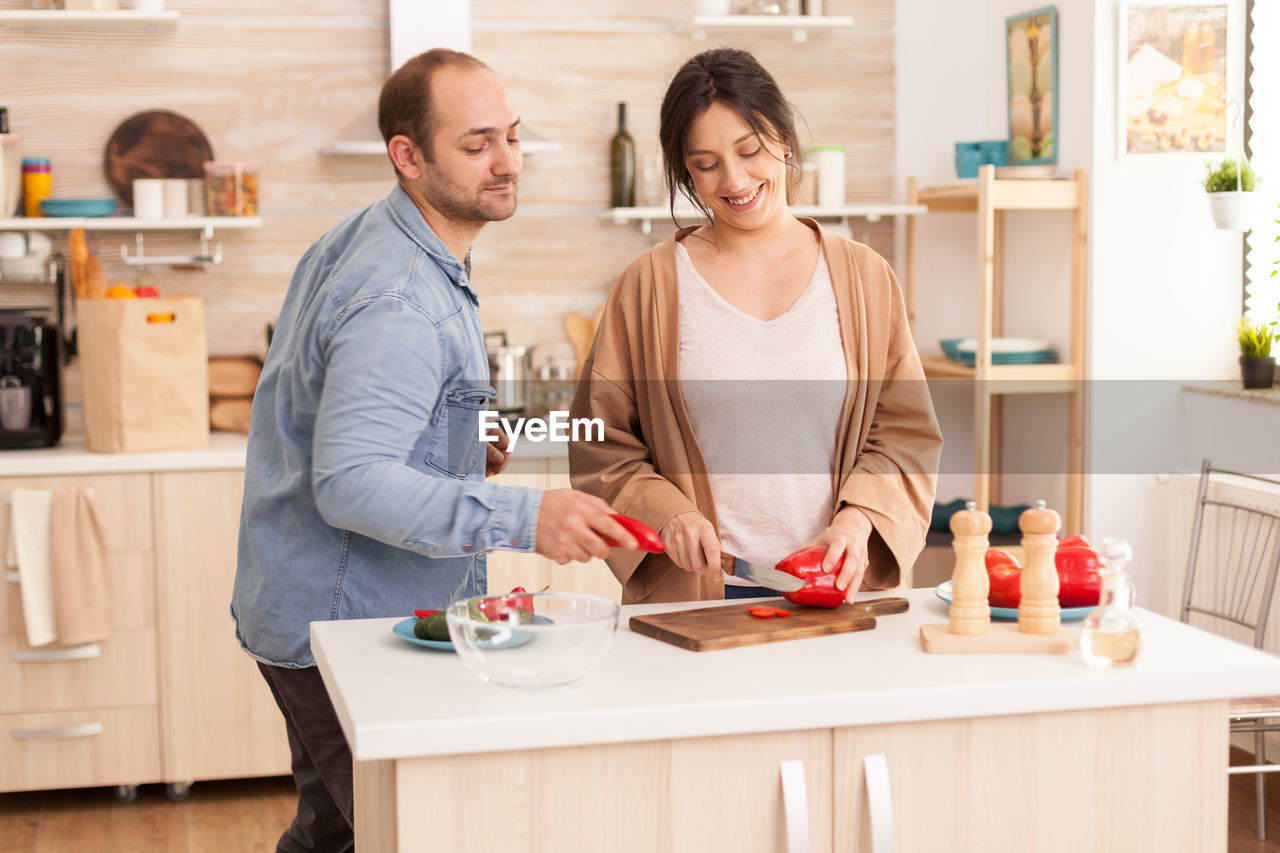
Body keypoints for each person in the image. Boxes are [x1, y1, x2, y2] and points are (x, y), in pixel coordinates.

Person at [231, 49, 634, 852]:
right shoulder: (402, 296)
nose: (507, 163)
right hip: (344, 618)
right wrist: (528, 514)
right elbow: (349, 483)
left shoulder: (379, 237)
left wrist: (449, 439)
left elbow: (329, 416)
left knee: (333, 834)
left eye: (512, 138)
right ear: (407, 156)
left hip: (305, 607)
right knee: (407, 833)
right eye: (477, 143)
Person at [569, 48, 942, 605]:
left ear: (784, 139)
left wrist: (860, 521)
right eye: (706, 163)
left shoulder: (865, 278)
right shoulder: (647, 286)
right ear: (684, 171)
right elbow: (598, 443)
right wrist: (666, 515)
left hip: (838, 593)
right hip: (698, 601)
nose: (735, 179)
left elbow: (904, 435)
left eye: (750, 150)